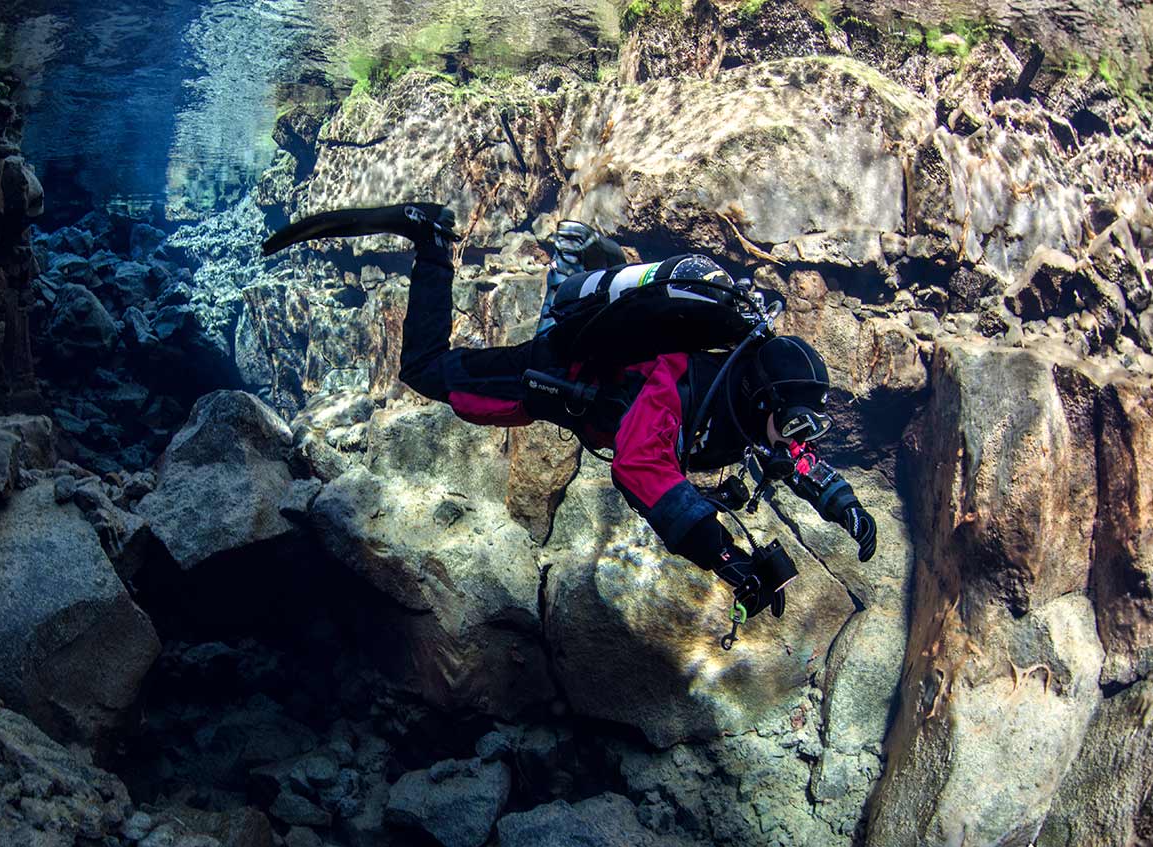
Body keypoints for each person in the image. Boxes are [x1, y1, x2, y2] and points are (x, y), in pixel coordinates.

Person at [262, 203, 877, 624]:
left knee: (560, 315)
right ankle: (432, 241)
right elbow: (641, 471)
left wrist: (840, 502)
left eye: (806, 427)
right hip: (551, 378)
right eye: (796, 422)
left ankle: (586, 266)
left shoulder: (744, 407)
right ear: (765, 400)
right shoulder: (680, 385)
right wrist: (725, 557)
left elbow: (790, 455)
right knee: (427, 370)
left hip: (586, 371)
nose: (800, 440)